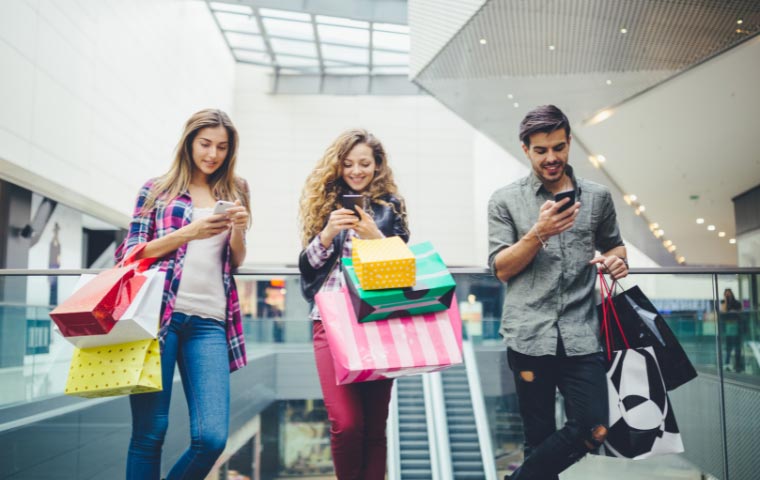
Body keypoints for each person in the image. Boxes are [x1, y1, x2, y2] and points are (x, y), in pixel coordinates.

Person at [487, 105, 628, 480]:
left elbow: (615, 247)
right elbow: (501, 269)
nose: (552, 158)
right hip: (529, 336)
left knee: (593, 427)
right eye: (541, 150)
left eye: (559, 147)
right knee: (538, 440)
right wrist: (539, 233)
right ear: (525, 149)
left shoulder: (597, 197)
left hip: (583, 334)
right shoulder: (505, 200)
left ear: (569, 144)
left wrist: (616, 261)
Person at [116, 109, 251, 479]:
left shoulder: (236, 190)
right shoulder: (157, 189)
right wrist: (189, 232)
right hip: (158, 318)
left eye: (222, 147)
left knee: (211, 438)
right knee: (150, 433)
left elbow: (235, 259)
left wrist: (238, 229)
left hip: (210, 321)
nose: (213, 154)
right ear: (189, 142)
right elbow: (131, 253)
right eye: (205, 144)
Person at [297, 129, 409, 480]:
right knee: (346, 424)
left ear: (377, 166)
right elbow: (308, 267)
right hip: (330, 322)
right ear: (338, 166)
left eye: (364, 163)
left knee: (376, 427)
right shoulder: (324, 205)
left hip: (378, 322)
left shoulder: (391, 207)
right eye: (348, 164)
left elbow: (405, 269)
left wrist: (376, 236)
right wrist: (328, 233)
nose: (356, 171)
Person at [720, 288, 743, 372]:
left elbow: (740, 312)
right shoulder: (724, 302)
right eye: (726, 294)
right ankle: (727, 363)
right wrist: (726, 300)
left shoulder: (737, 303)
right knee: (728, 346)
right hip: (728, 327)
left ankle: (737, 365)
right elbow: (723, 310)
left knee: (737, 347)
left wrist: (735, 312)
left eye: (728, 293)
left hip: (736, 326)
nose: (727, 295)